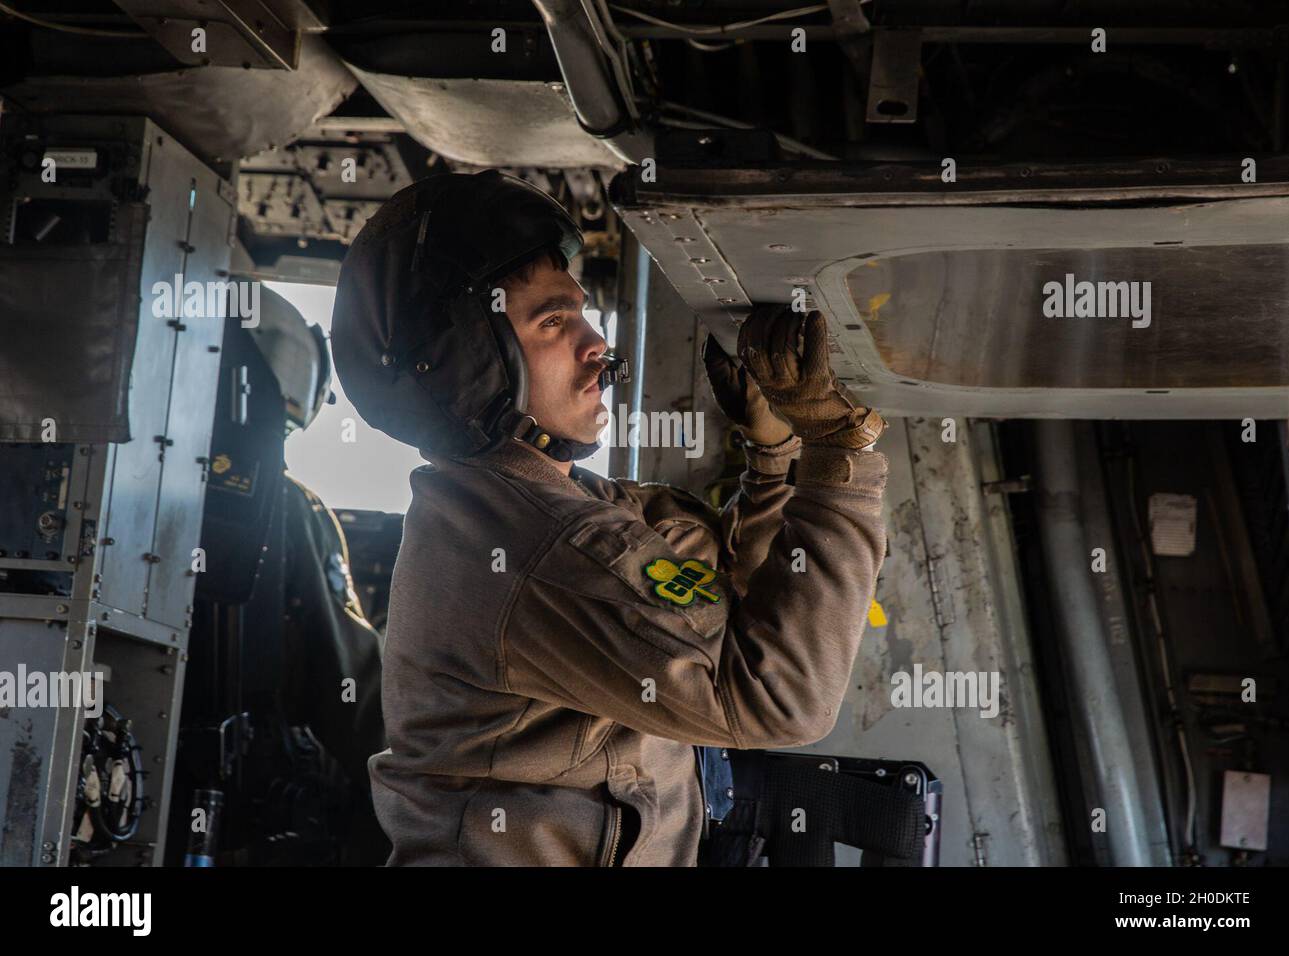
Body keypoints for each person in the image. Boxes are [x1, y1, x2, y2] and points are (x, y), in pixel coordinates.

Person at [330, 169, 889, 866]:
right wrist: (840, 448)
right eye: (555, 322)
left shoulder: (548, 507)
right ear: (473, 363)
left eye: (582, 314)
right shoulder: (542, 543)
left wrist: (772, 457)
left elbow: (730, 606)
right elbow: (782, 700)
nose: (598, 345)